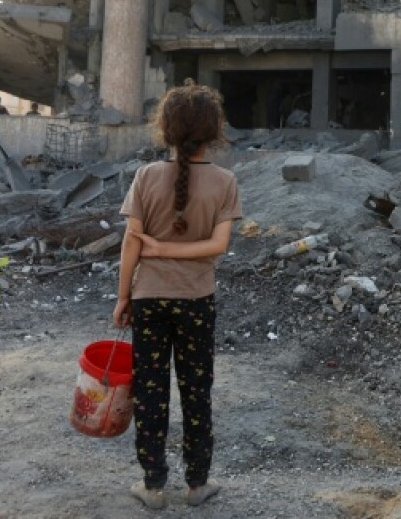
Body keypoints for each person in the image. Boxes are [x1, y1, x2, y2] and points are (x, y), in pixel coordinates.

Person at [112, 82, 242, 510]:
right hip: (197, 300)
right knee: (196, 390)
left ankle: (152, 487)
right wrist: (175, 251)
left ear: (164, 130)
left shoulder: (146, 177)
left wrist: (123, 297)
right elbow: (217, 246)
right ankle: (197, 484)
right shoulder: (225, 182)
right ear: (214, 131)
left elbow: (132, 243)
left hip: (149, 298)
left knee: (150, 392)